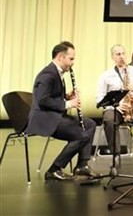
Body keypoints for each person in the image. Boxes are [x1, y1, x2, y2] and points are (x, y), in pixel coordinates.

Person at [25, 41, 100, 181]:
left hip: (54, 115)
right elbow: (42, 100)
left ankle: (82, 165)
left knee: (90, 124)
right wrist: (68, 103)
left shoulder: (57, 73)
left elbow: (51, 97)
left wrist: (66, 96)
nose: (73, 63)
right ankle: (54, 170)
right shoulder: (48, 74)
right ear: (60, 57)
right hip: (45, 118)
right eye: (71, 59)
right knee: (81, 135)